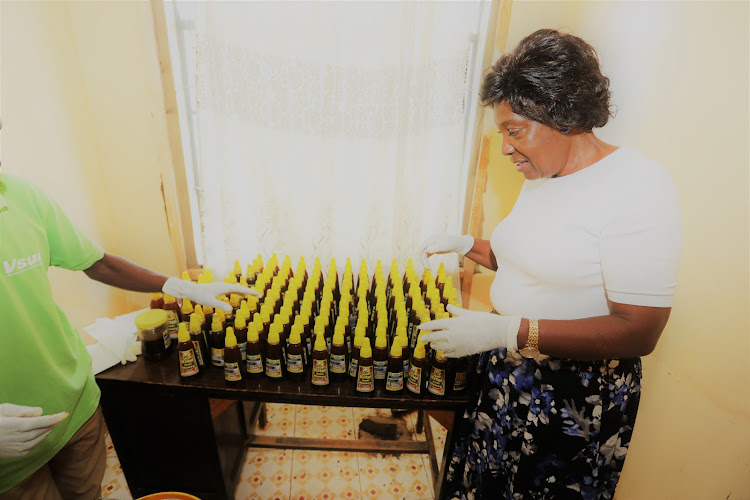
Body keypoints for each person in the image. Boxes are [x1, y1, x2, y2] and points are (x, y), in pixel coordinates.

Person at [418, 29, 682, 500]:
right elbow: (527, 263)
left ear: (562, 115)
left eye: (514, 131)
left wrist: (507, 331)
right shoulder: (544, 174)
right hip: (507, 375)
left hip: (570, 397)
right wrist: (464, 244)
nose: (504, 148)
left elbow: (640, 331)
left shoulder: (636, 185)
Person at [0, 138, 261, 499]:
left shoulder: (23, 197)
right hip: (8, 457)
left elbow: (99, 263)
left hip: (75, 407)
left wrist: (179, 286)